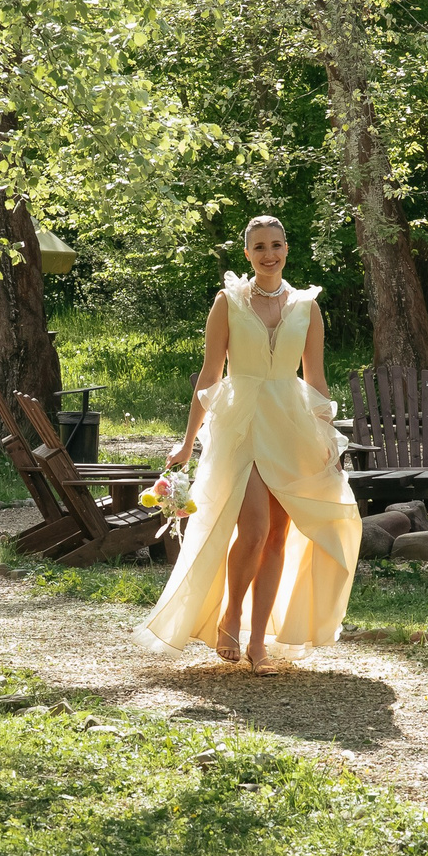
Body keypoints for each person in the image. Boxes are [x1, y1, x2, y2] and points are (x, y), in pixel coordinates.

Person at [134, 216, 361, 666]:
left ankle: (258, 640)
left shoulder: (307, 306)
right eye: (259, 247)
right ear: (247, 254)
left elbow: (316, 380)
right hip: (242, 425)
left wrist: (329, 443)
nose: (269, 254)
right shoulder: (228, 303)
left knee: (278, 534)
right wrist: (187, 442)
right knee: (253, 530)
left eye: (276, 245)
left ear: (287, 249)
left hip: (292, 427)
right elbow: (209, 373)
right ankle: (229, 617)